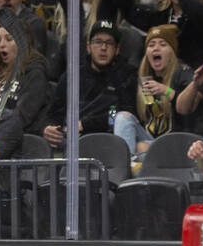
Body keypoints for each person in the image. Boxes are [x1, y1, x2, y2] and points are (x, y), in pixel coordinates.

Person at [42, 20, 137, 149]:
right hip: (73, 141)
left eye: (109, 43)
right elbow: (54, 113)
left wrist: (86, 124)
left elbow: (123, 114)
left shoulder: (127, 74)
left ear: (117, 49)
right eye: (98, 42)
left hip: (111, 139)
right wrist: (49, 127)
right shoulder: (72, 76)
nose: (103, 48)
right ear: (88, 47)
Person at [112, 24, 195, 156]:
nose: (156, 48)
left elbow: (189, 111)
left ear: (172, 51)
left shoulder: (183, 73)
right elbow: (118, 109)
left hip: (177, 144)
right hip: (147, 142)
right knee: (122, 118)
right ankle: (124, 166)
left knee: (141, 148)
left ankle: (128, 168)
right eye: (151, 45)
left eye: (163, 44)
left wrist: (166, 91)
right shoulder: (138, 78)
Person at [0, 19, 51, 136]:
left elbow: (21, 117)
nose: (1, 44)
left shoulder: (35, 73)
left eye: (9, 39)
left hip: (20, 139)